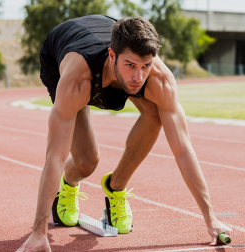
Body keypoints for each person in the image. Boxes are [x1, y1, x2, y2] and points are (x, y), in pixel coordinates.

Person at [17, 15, 232, 252]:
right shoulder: (76, 81)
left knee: (154, 113)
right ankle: (68, 185)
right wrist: (39, 233)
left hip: (105, 42)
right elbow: (55, 156)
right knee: (87, 161)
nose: (138, 77)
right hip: (63, 52)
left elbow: (183, 150)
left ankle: (115, 186)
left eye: (145, 66)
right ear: (112, 55)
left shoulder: (158, 79)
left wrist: (211, 220)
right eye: (130, 65)